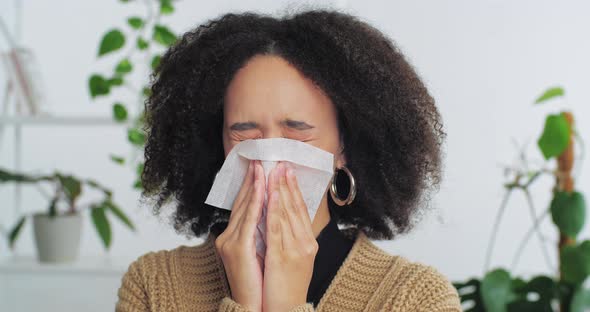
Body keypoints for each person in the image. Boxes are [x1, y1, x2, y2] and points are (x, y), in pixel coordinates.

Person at [115, 8, 461, 312]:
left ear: (344, 148)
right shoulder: (153, 284)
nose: (269, 153)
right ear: (216, 144)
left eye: (296, 130)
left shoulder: (417, 298)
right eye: (244, 131)